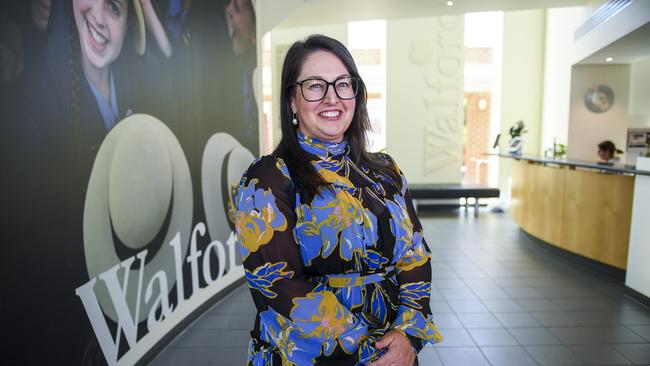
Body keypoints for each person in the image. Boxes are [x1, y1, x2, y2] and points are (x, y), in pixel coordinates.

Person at [234, 34, 442, 366]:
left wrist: (408, 335)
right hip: (311, 357)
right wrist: (372, 348)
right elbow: (280, 285)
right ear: (292, 99)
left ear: (355, 94)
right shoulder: (268, 178)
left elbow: (415, 257)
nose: (332, 98)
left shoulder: (386, 172)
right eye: (315, 86)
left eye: (343, 84)